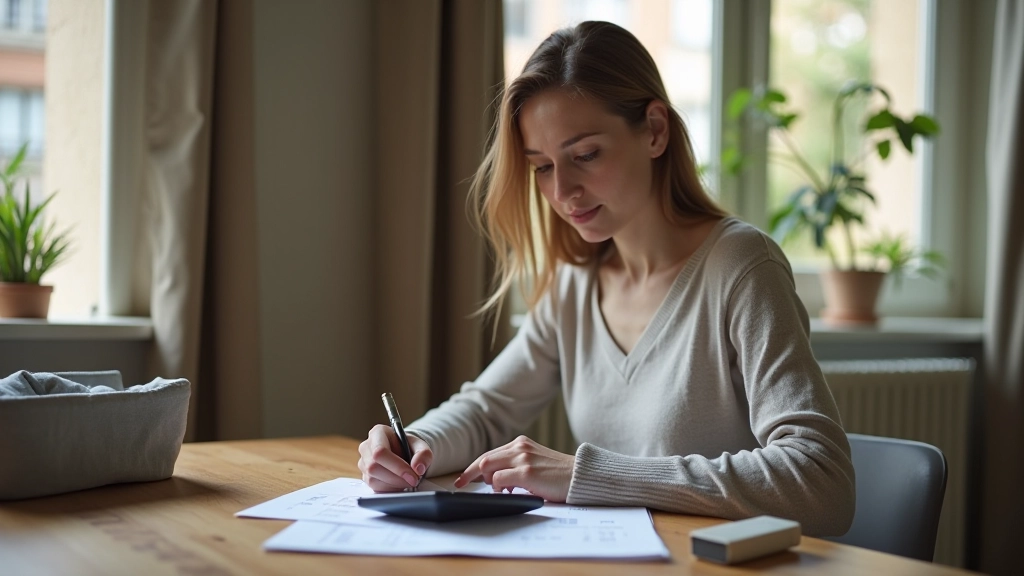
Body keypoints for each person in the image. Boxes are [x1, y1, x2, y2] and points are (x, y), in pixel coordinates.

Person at [357, 20, 855, 537]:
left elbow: (822, 484)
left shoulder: (741, 267)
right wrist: (413, 444)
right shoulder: (576, 283)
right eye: (542, 167)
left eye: (586, 155)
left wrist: (586, 474)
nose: (563, 190)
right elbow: (487, 410)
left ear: (656, 131)